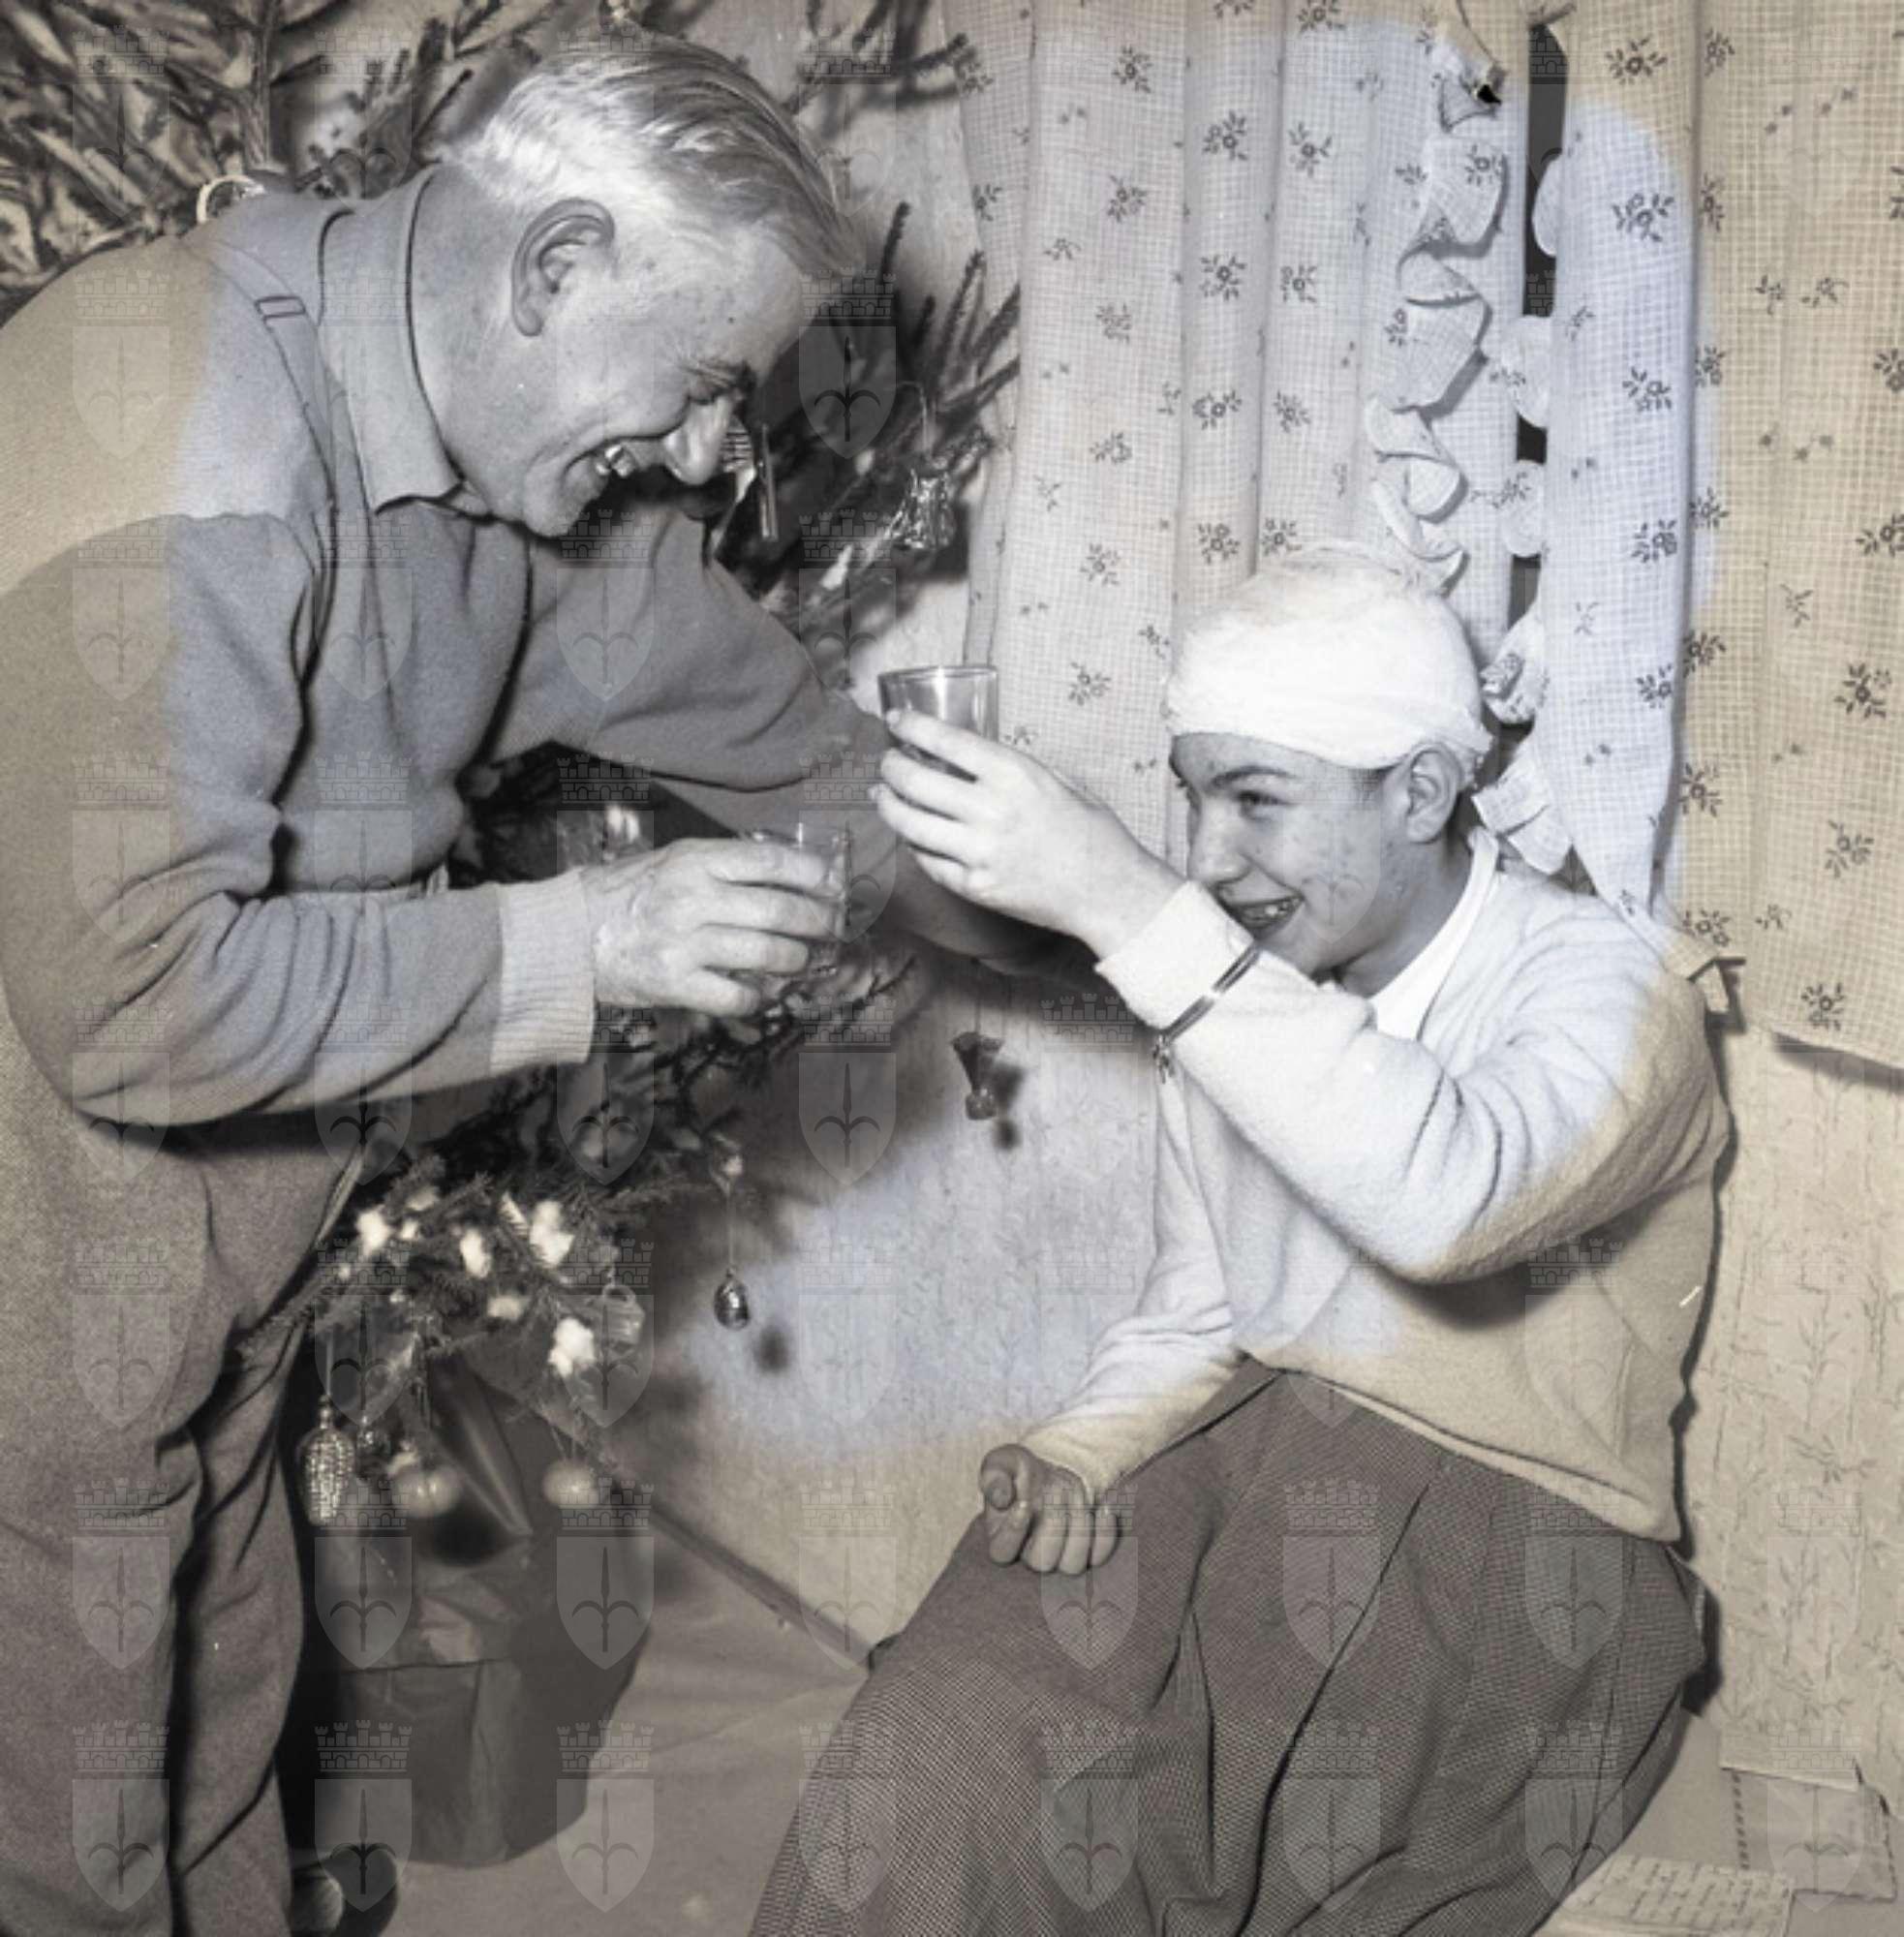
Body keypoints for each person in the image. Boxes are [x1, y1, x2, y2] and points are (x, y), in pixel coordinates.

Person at [0, 38, 1045, 1936]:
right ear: (553, 267)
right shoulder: (185, 444)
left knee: (218, 1681)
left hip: (223, 1240)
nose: (714, 456)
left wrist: (1128, 933)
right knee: (63, 1797)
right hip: (39, 1240)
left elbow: (800, 756)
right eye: (705, 382)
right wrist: (595, 942)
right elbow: (128, 989)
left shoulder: (519, 475)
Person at [752, 542, 1732, 1935]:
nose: (1211, 860)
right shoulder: (1237, 990)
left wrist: (1127, 908)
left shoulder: (1612, 990)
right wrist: (1083, 1446)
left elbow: (1448, 1200)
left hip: (1518, 1543)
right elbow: (1202, 1305)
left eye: (1257, 800)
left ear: (1420, 792)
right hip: (1250, 1466)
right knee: (939, 1750)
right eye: (1194, 800)